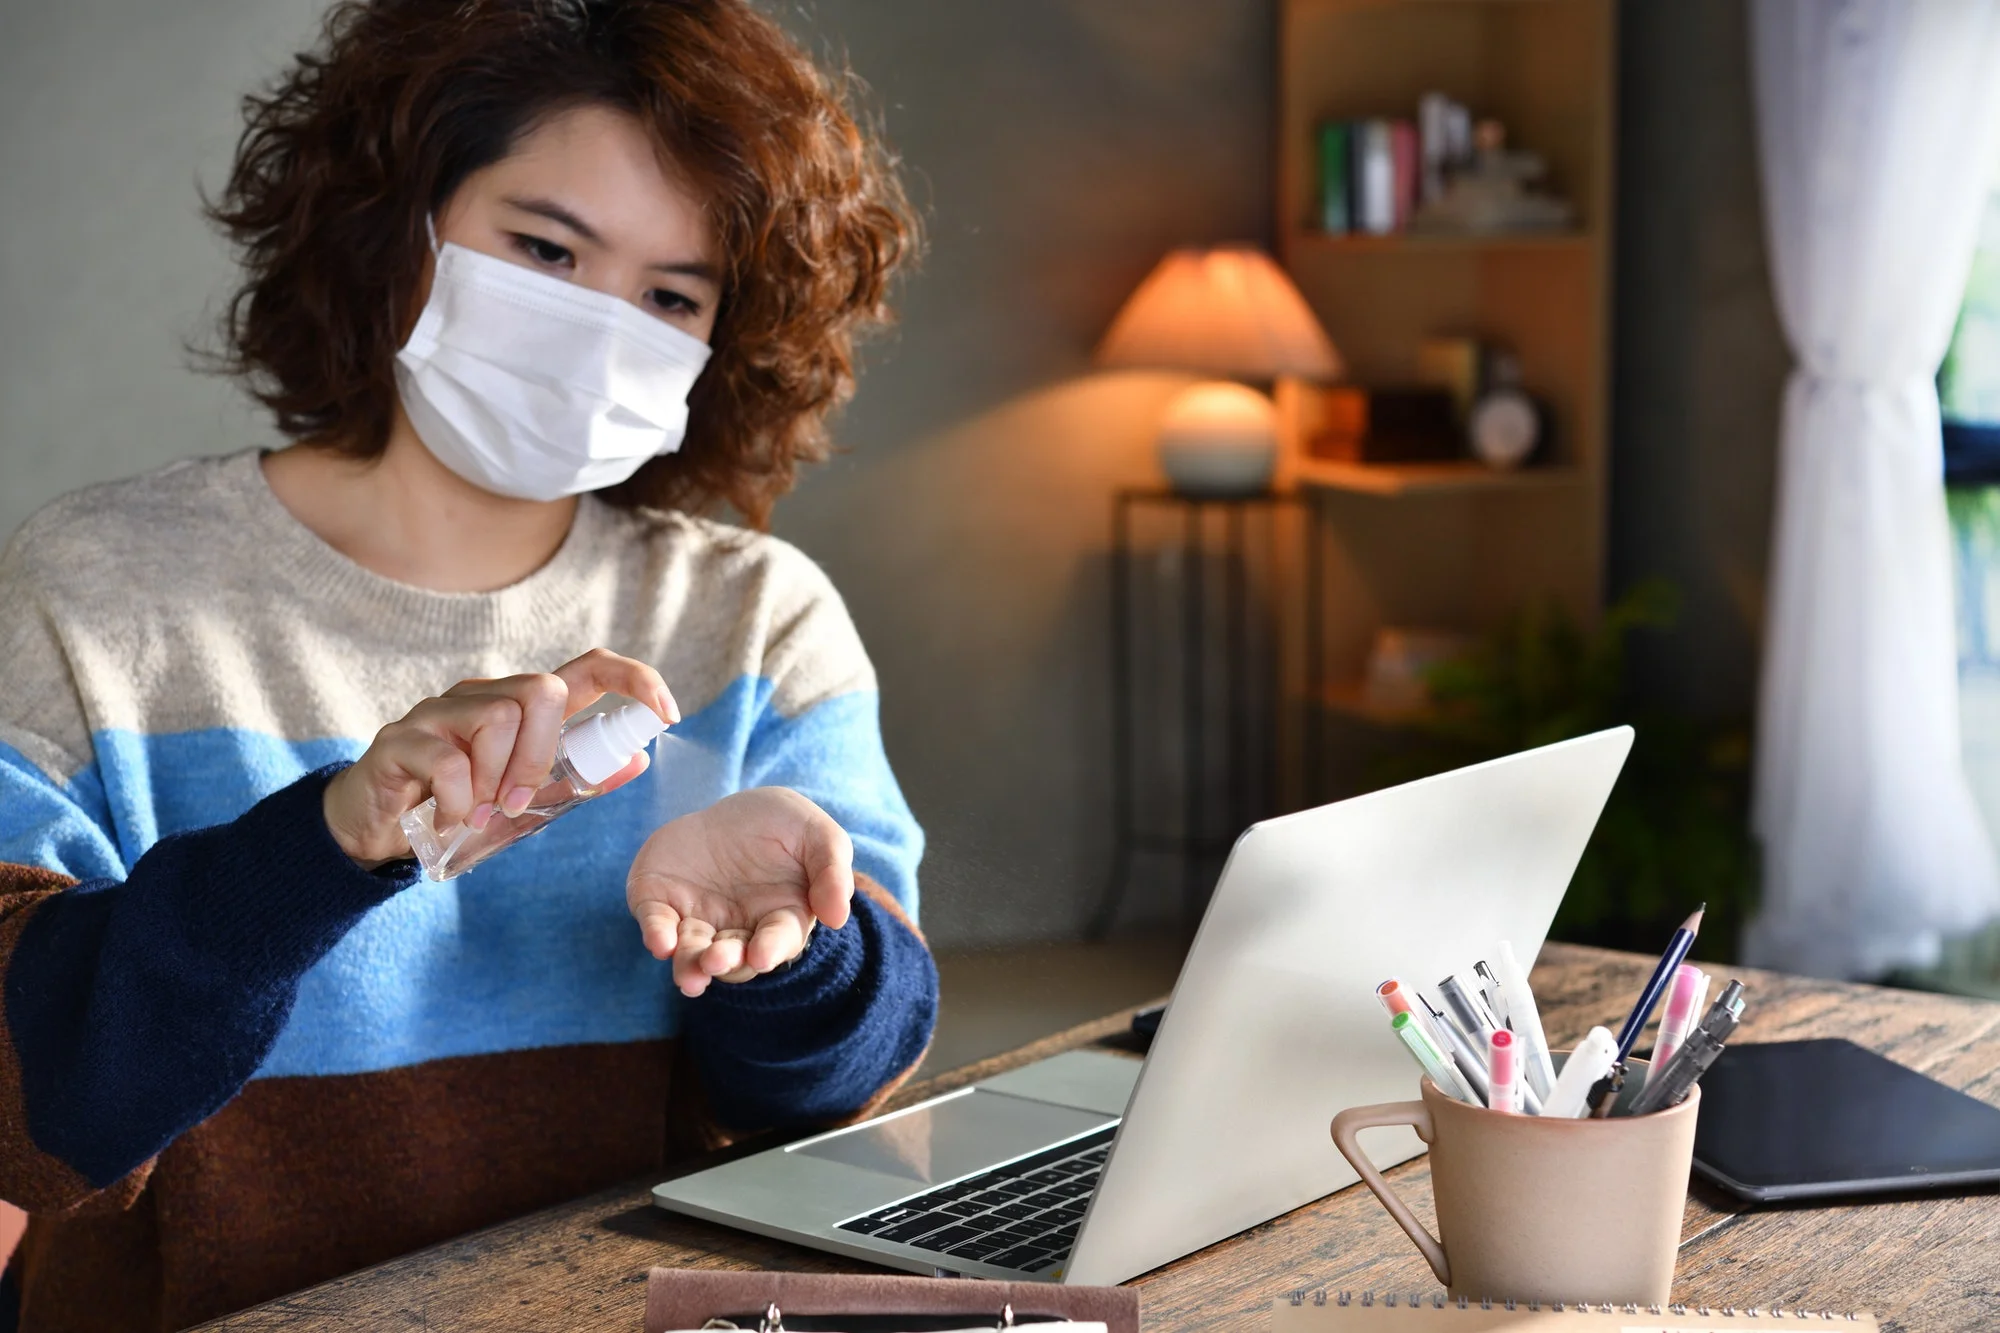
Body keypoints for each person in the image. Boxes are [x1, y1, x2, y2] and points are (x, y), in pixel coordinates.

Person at [0, 1, 938, 1327]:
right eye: (547, 249)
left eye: (672, 294)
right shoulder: (101, 592)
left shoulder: (753, 622)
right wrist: (323, 845)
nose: (602, 330)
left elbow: (840, 1093)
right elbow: (34, 1124)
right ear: (398, 227)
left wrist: (784, 954)